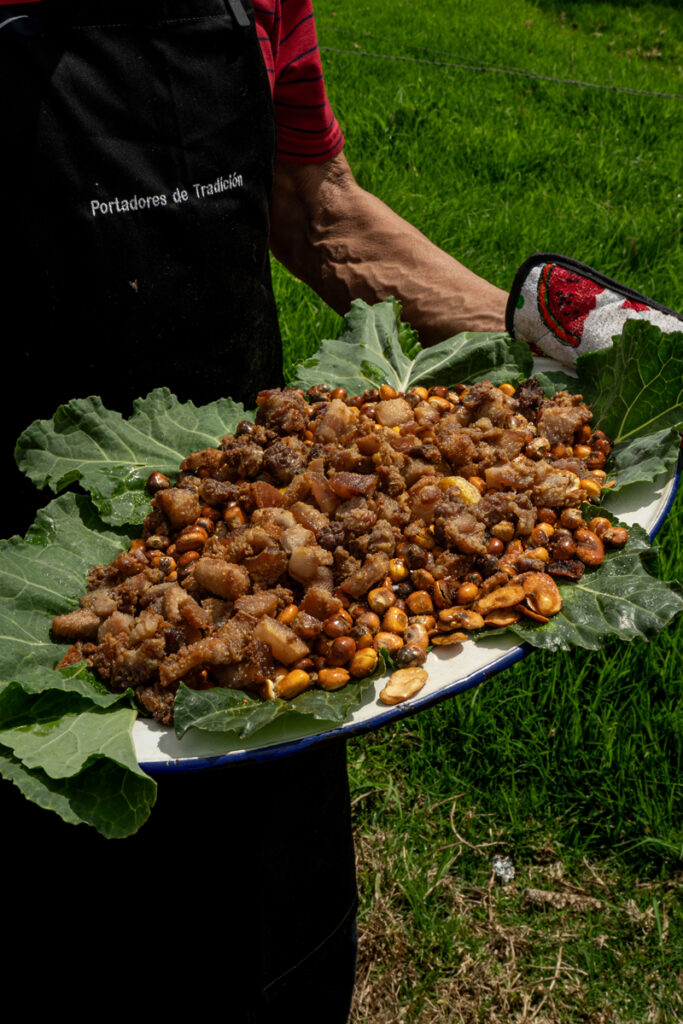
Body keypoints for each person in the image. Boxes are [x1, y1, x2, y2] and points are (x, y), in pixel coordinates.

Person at [1, 3, 679, 1020]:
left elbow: (321, 211)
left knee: (276, 951)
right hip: (34, 587)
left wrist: (574, 348)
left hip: (265, 554)